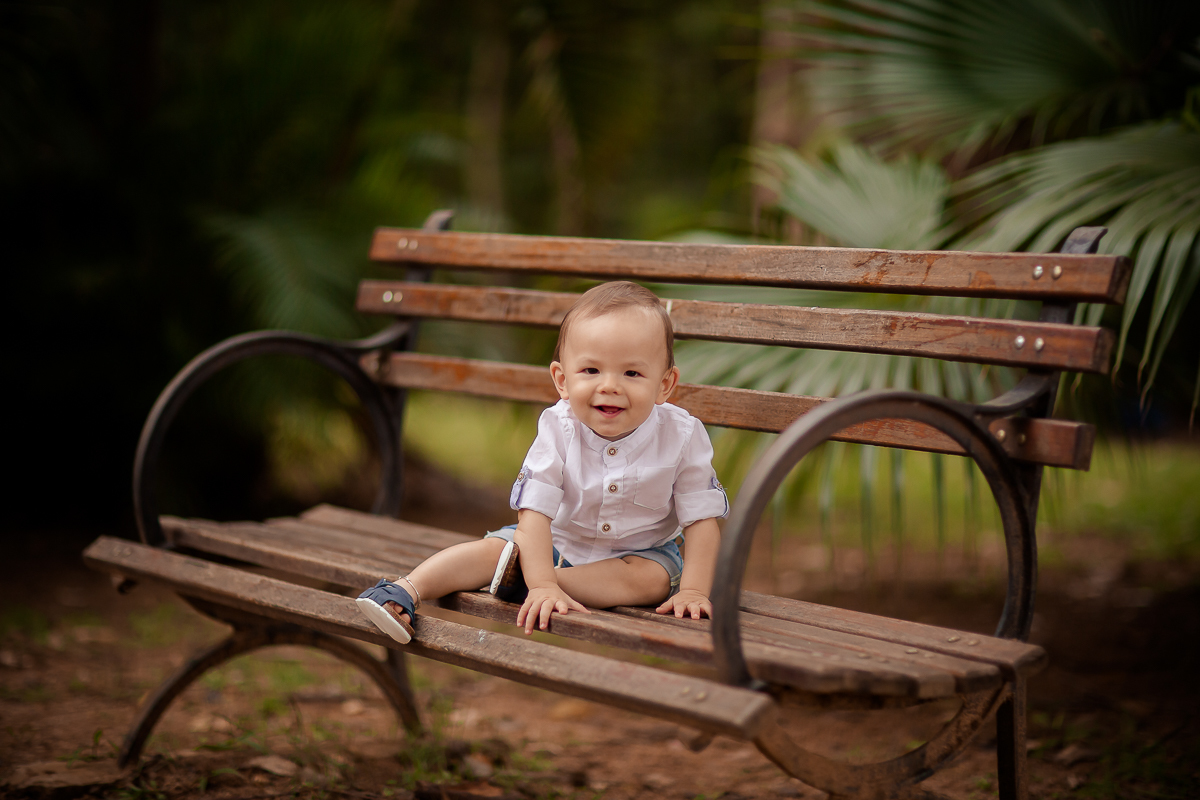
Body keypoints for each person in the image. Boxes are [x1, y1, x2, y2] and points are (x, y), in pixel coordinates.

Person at [356, 281, 728, 644]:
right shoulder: (558, 428)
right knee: (495, 551)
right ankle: (404, 591)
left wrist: (693, 590)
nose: (609, 386)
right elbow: (533, 514)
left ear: (665, 384)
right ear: (562, 380)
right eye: (591, 371)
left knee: (652, 581)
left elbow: (701, 520)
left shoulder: (682, 435)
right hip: (554, 542)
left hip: (639, 554)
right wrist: (543, 581)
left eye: (632, 373)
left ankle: (520, 581)